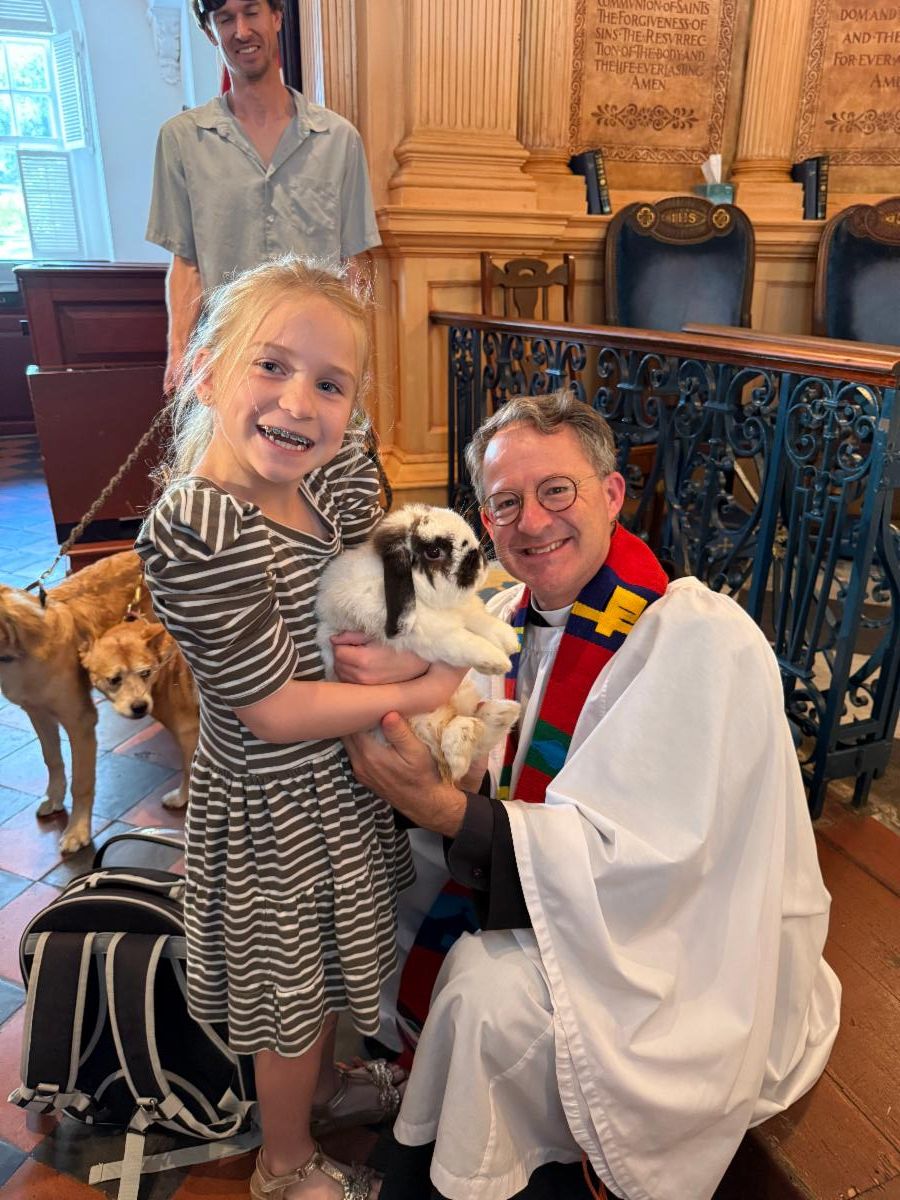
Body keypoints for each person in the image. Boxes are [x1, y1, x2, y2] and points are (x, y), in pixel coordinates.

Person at [344, 390, 842, 1200]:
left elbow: (654, 865)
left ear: (612, 494)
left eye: (556, 490)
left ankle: (459, 1179)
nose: (533, 521)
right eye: (506, 503)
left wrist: (447, 811)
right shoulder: (501, 619)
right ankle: (414, 1091)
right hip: (553, 892)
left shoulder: (697, 637)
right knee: (379, 892)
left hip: (674, 943)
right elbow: (481, 772)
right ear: (485, 521)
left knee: (483, 988)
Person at [135, 257, 463, 1200]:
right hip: (274, 810)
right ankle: (282, 1163)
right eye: (270, 366)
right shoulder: (201, 524)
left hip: (336, 790)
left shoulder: (326, 483)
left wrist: (402, 657)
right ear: (207, 371)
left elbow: (367, 600)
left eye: (330, 384)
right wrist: (428, 688)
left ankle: (321, 1090)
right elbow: (274, 708)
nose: (297, 402)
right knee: (288, 998)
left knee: (321, 971)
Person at [146, 0, 381, 394]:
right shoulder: (181, 140)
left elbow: (353, 265)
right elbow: (186, 264)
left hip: (315, 358)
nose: (241, 31)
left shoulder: (340, 140)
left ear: (276, 17)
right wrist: (178, 352)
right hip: (230, 357)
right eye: (225, 19)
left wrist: (355, 358)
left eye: (251, 11)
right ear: (209, 32)